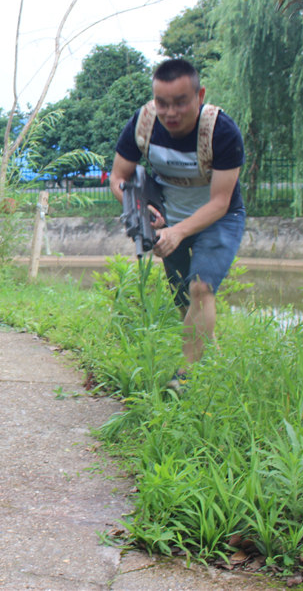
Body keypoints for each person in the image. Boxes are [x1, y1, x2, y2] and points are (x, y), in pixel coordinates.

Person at [110, 58, 245, 384]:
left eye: (181, 102)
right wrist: (140, 210)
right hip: (168, 219)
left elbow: (220, 202)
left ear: (199, 96)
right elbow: (118, 177)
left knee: (201, 287)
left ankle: (185, 378)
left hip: (218, 220)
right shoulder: (143, 123)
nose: (170, 113)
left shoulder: (221, 131)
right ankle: (214, 364)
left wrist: (177, 232)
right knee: (185, 302)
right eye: (162, 103)